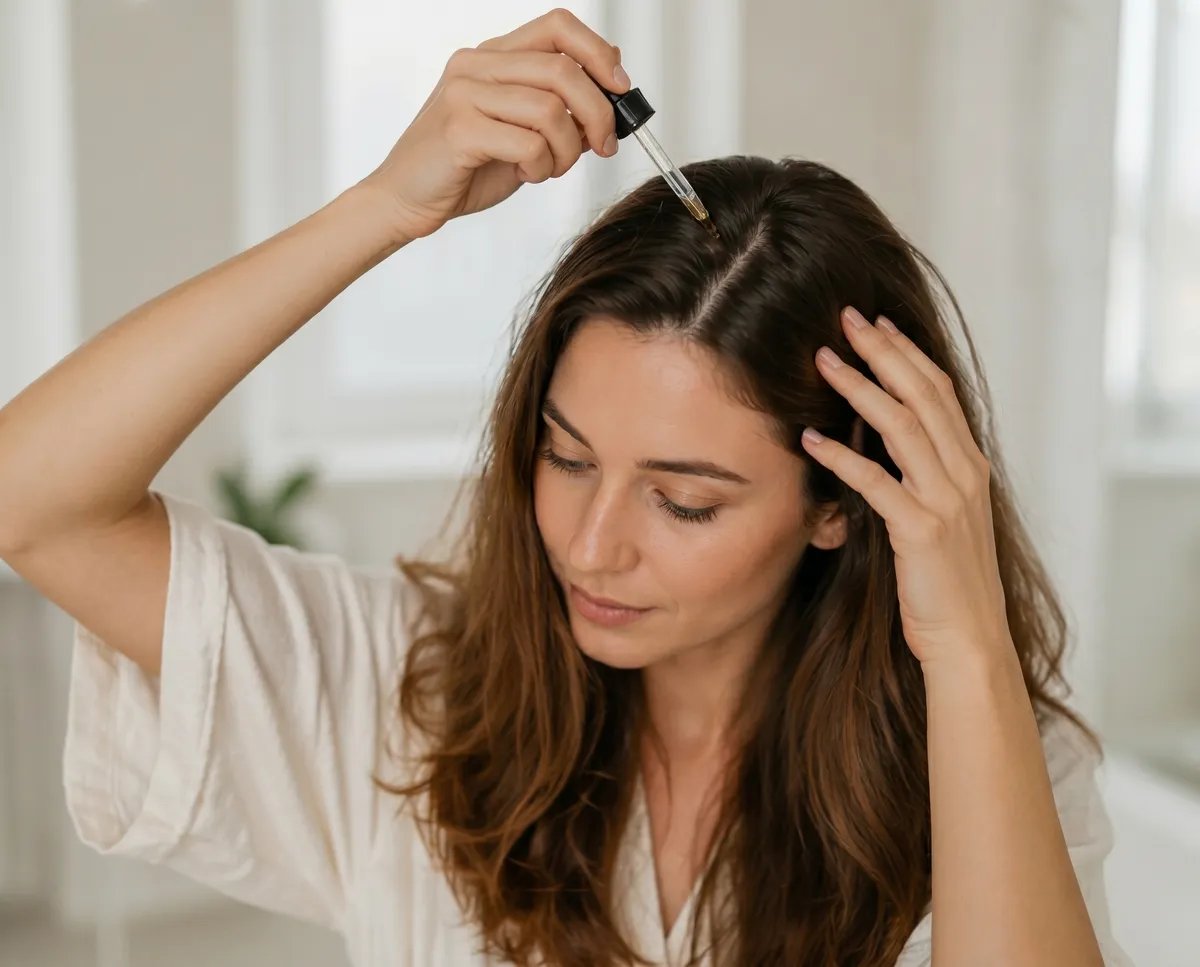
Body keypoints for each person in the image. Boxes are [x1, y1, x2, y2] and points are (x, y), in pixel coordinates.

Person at [0, 8, 1131, 967]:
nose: (590, 547)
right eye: (567, 455)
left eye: (684, 501)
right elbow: (32, 498)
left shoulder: (979, 756)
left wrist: (969, 641)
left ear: (843, 504)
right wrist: (388, 206)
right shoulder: (413, 698)